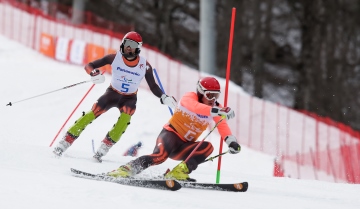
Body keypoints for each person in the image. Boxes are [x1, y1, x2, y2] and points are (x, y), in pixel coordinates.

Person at [53, 31, 177, 162]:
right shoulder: (114, 58)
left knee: (123, 122)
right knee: (91, 114)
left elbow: (153, 86)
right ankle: (65, 142)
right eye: (127, 44)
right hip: (112, 94)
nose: (129, 47)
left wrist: (163, 97)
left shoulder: (144, 66)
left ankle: (104, 148)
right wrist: (94, 73)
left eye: (132, 45)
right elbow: (89, 66)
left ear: (138, 48)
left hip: (129, 99)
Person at [106, 76, 241, 181]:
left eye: (216, 95)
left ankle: (178, 172)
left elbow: (222, 126)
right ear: (200, 93)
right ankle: (127, 169)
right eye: (210, 95)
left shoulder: (215, 108)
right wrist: (218, 110)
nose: (213, 99)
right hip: (170, 136)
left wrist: (231, 142)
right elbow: (196, 108)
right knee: (160, 156)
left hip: (184, 147)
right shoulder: (190, 97)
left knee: (208, 147)